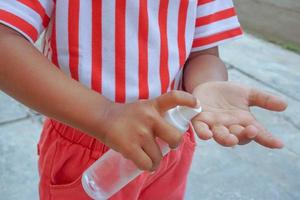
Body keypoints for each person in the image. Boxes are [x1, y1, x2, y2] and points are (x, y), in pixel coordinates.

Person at [0, 0, 287, 199]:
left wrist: (208, 86)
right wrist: (105, 116)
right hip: (87, 143)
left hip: (171, 142)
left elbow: (204, 54)